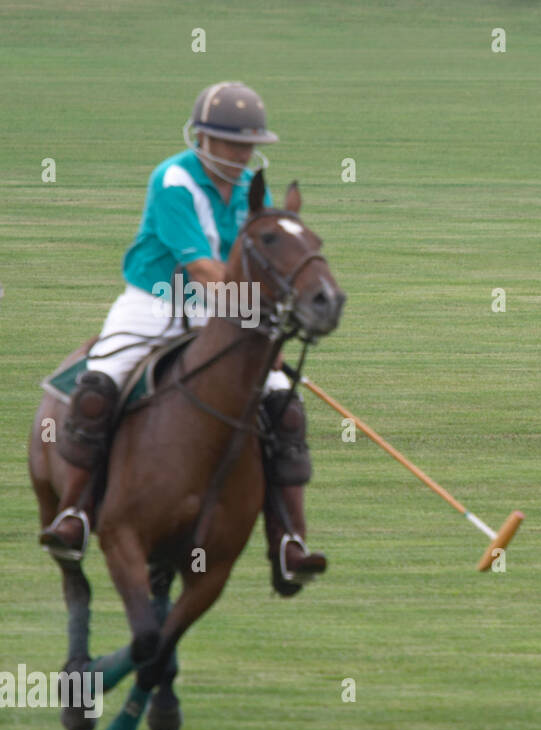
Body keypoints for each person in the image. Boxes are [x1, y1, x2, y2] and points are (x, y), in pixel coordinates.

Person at [40, 81, 327, 596]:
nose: (244, 154)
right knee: (100, 383)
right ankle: (76, 513)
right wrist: (252, 317)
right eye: (233, 143)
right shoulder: (173, 180)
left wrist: (266, 336)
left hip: (223, 314)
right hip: (155, 303)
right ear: (201, 138)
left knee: (284, 406)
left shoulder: (248, 192)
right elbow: (203, 270)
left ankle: (289, 543)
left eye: (250, 144)